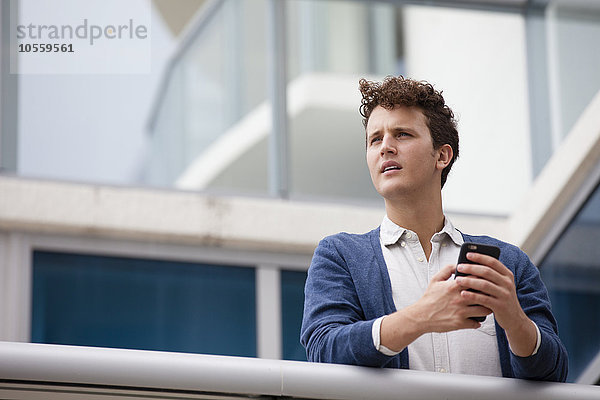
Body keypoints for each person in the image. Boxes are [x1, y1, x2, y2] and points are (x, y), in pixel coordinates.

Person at [300, 76, 568, 381]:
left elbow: (556, 372)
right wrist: (419, 317)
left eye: (401, 134)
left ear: (442, 155)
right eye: (375, 139)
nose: (385, 147)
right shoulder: (340, 256)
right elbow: (323, 351)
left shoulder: (507, 263)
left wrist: (514, 318)